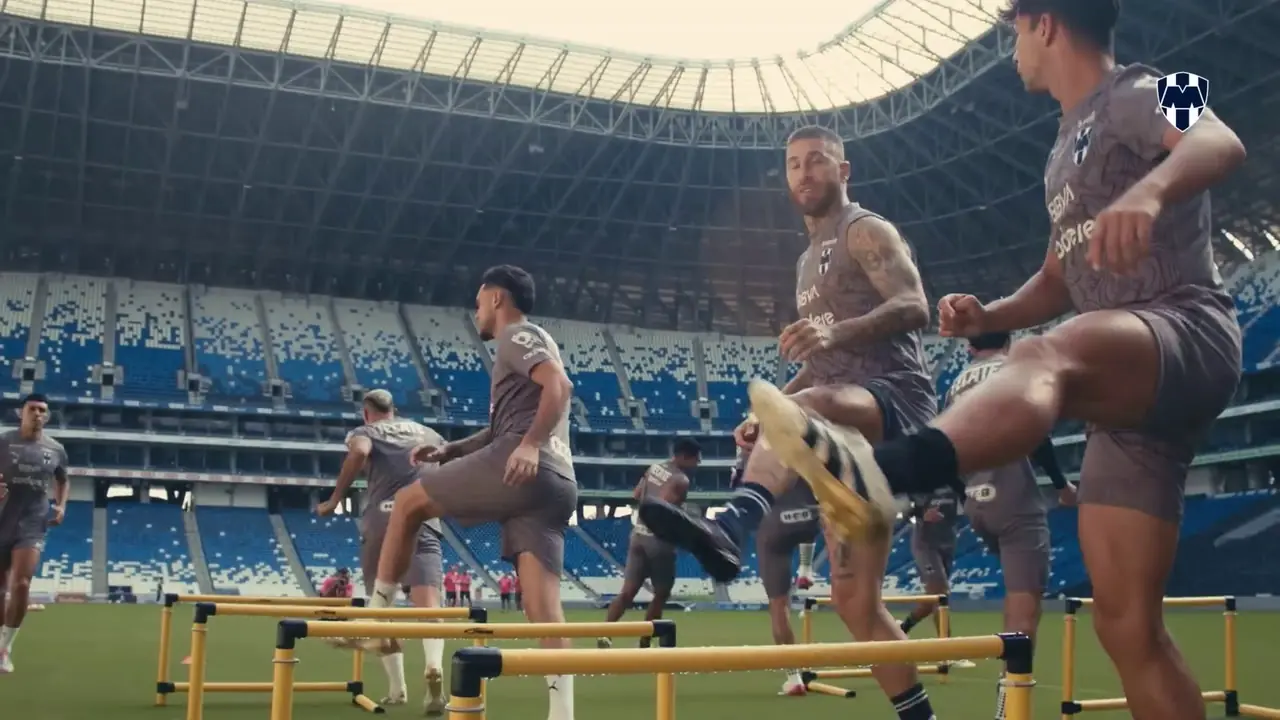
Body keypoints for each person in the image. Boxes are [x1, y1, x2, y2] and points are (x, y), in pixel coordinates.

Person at [741, 3, 1247, 718]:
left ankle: (889, 471)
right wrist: (991, 315)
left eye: (1014, 29)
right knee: (1126, 628)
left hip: (1185, 326)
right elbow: (1059, 278)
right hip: (1130, 406)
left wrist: (1151, 190)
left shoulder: (1149, 84)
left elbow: (1221, 138)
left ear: (1046, 24)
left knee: (1043, 355)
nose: (1012, 48)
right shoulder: (1059, 147)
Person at [640, 125, 943, 720]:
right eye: (794, 164)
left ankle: (732, 523)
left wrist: (830, 340)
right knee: (855, 603)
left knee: (796, 411)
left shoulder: (865, 230)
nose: (805, 173)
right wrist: (769, 409)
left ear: (843, 170)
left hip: (895, 404)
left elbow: (914, 306)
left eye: (817, 161)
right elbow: (823, 366)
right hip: (844, 429)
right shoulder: (806, 262)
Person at [362, 265, 579, 720]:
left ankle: (375, 616)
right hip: (558, 484)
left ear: (497, 298)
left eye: (479, 302)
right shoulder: (532, 345)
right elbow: (507, 423)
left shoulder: (516, 335)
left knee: (409, 503)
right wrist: (453, 449)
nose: (475, 311)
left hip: (524, 464)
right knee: (542, 609)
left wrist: (529, 444)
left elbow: (560, 386)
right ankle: (562, 714)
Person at [940, 330, 1076, 718]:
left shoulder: (955, 386)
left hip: (977, 500)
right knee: (1025, 606)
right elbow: (1035, 433)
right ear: (1009, 342)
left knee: (1016, 599)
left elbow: (943, 448)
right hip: (1015, 494)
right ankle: (1008, 708)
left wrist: (965, 494)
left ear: (970, 347)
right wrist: (1062, 484)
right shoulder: (1013, 367)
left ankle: (1007, 699)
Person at [316, 390, 449, 714]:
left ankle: (397, 688)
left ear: (366, 412)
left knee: (381, 607)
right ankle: (433, 666)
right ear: (395, 410)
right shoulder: (427, 432)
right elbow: (448, 461)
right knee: (429, 606)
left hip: (381, 521)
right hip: (422, 517)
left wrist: (335, 498)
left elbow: (360, 451)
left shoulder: (366, 431)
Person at [598, 439, 700, 649]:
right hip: (659, 542)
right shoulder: (681, 480)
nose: (698, 463)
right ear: (683, 456)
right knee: (661, 593)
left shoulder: (654, 467)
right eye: (695, 458)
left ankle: (605, 634)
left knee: (627, 592)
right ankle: (644, 641)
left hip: (638, 535)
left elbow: (636, 494)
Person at [0, 393, 69, 674]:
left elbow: (62, 479)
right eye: (33, 409)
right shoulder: (4, 442)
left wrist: (61, 505)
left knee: (21, 584)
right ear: (21, 412)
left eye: (42, 410)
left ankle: (5, 648)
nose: (38, 414)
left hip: (32, 522)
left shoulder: (55, 449)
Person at [899, 489, 959, 637]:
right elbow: (904, 511)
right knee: (940, 591)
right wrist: (921, 514)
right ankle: (946, 643)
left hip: (948, 542)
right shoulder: (921, 485)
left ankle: (902, 628)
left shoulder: (955, 482)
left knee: (934, 596)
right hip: (925, 544)